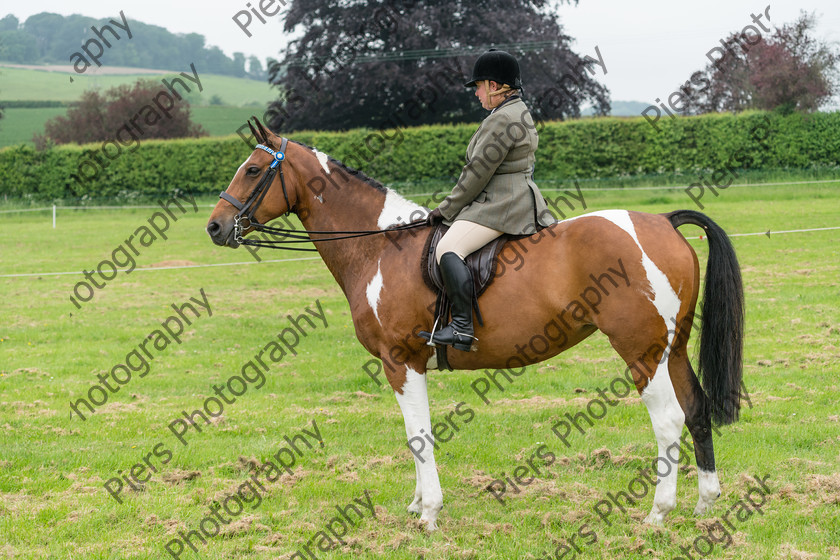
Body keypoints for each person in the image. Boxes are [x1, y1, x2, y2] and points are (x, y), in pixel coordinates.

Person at [419, 49, 556, 351]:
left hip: (501, 205)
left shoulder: (502, 119)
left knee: (447, 247)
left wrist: (446, 209)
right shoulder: (517, 110)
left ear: (495, 86)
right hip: (511, 198)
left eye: (479, 86)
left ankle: (462, 328)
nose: (477, 93)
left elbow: (476, 173)